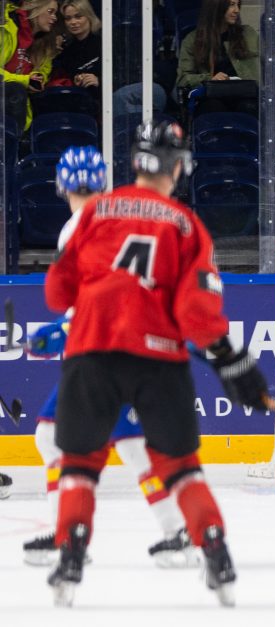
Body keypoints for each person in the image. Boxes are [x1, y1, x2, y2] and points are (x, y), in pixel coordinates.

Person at [43, 119, 270, 607]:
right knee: (181, 466)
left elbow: (56, 291)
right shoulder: (186, 224)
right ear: (178, 167)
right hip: (158, 359)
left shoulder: (94, 213)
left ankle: (70, 558)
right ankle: (215, 551)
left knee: (79, 464)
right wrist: (231, 359)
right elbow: (195, 313)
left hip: (91, 352)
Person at [21, 147, 198, 568]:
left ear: (61, 184)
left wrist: (62, 330)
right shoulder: (119, 213)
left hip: (103, 351)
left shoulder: (80, 226)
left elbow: (98, 297)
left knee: (53, 437)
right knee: (134, 445)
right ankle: (180, 532)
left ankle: (71, 536)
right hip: (130, 346)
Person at [176, 0, 275, 119]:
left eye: (238, 5)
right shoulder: (193, 40)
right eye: (231, 5)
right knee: (213, 108)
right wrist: (210, 78)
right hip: (212, 96)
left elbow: (271, 52)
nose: (237, 10)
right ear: (216, 7)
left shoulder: (247, 33)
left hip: (246, 94)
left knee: (248, 108)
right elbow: (183, 78)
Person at [0, 0, 60, 133]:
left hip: (14, 110)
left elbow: (43, 71)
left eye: (56, 13)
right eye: (50, 12)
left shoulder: (45, 45)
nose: (54, 17)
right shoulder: (6, 26)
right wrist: (26, 80)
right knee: (15, 89)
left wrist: (38, 79)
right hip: (8, 97)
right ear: (36, 9)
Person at [47, 0, 99, 104]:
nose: (73, 22)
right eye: (68, 18)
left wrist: (99, 80)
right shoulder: (66, 50)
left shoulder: (104, 41)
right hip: (79, 102)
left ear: (89, 16)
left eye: (78, 16)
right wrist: (76, 79)